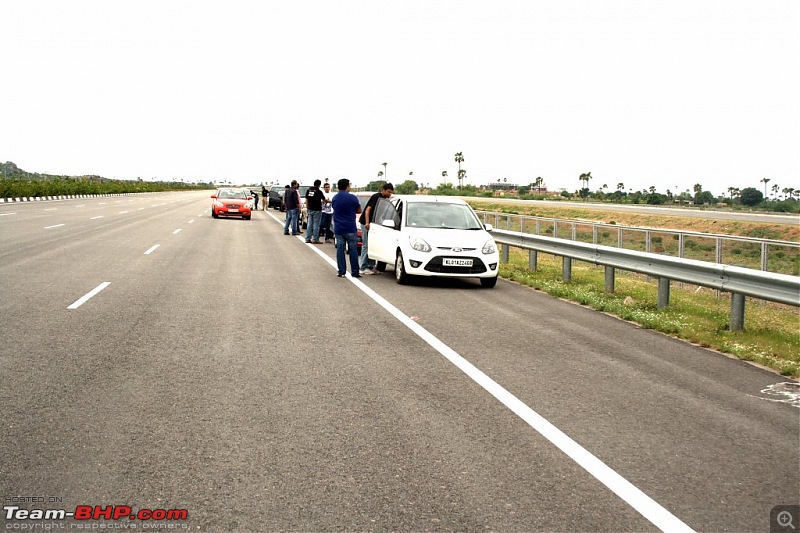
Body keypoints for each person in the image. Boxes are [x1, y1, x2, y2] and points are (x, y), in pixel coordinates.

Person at [358, 182, 394, 275]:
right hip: (366, 223)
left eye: (391, 192)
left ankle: (370, 266)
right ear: (383, 190)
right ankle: (362, 267)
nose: (390, 194)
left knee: (372, 245)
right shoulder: (376, 197)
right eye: (388, 192)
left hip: (374, 225)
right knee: (366, 245)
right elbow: (368, 210)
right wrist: (367, 222)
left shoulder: (384, 199)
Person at [331, 178, 362, 278]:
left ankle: (341, 271)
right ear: (347, 186)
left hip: (339, 228)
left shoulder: (335, 198)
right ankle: (355, 272)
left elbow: (335, 208)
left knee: (340, 249)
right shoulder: (352, 197)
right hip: (350, 227)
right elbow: (358, 210)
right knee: (353, 249)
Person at [304, 179, 325, 244]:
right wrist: (331, 201)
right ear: (319, 185)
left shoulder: (309, 190)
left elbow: (307, 198)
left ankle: (308, 238)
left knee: (309, 224)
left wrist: (307, 206)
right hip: (317, 210)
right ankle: (315, 239)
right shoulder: (319, 191)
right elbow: (324, 199)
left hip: (310, 209)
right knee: (316, 225)